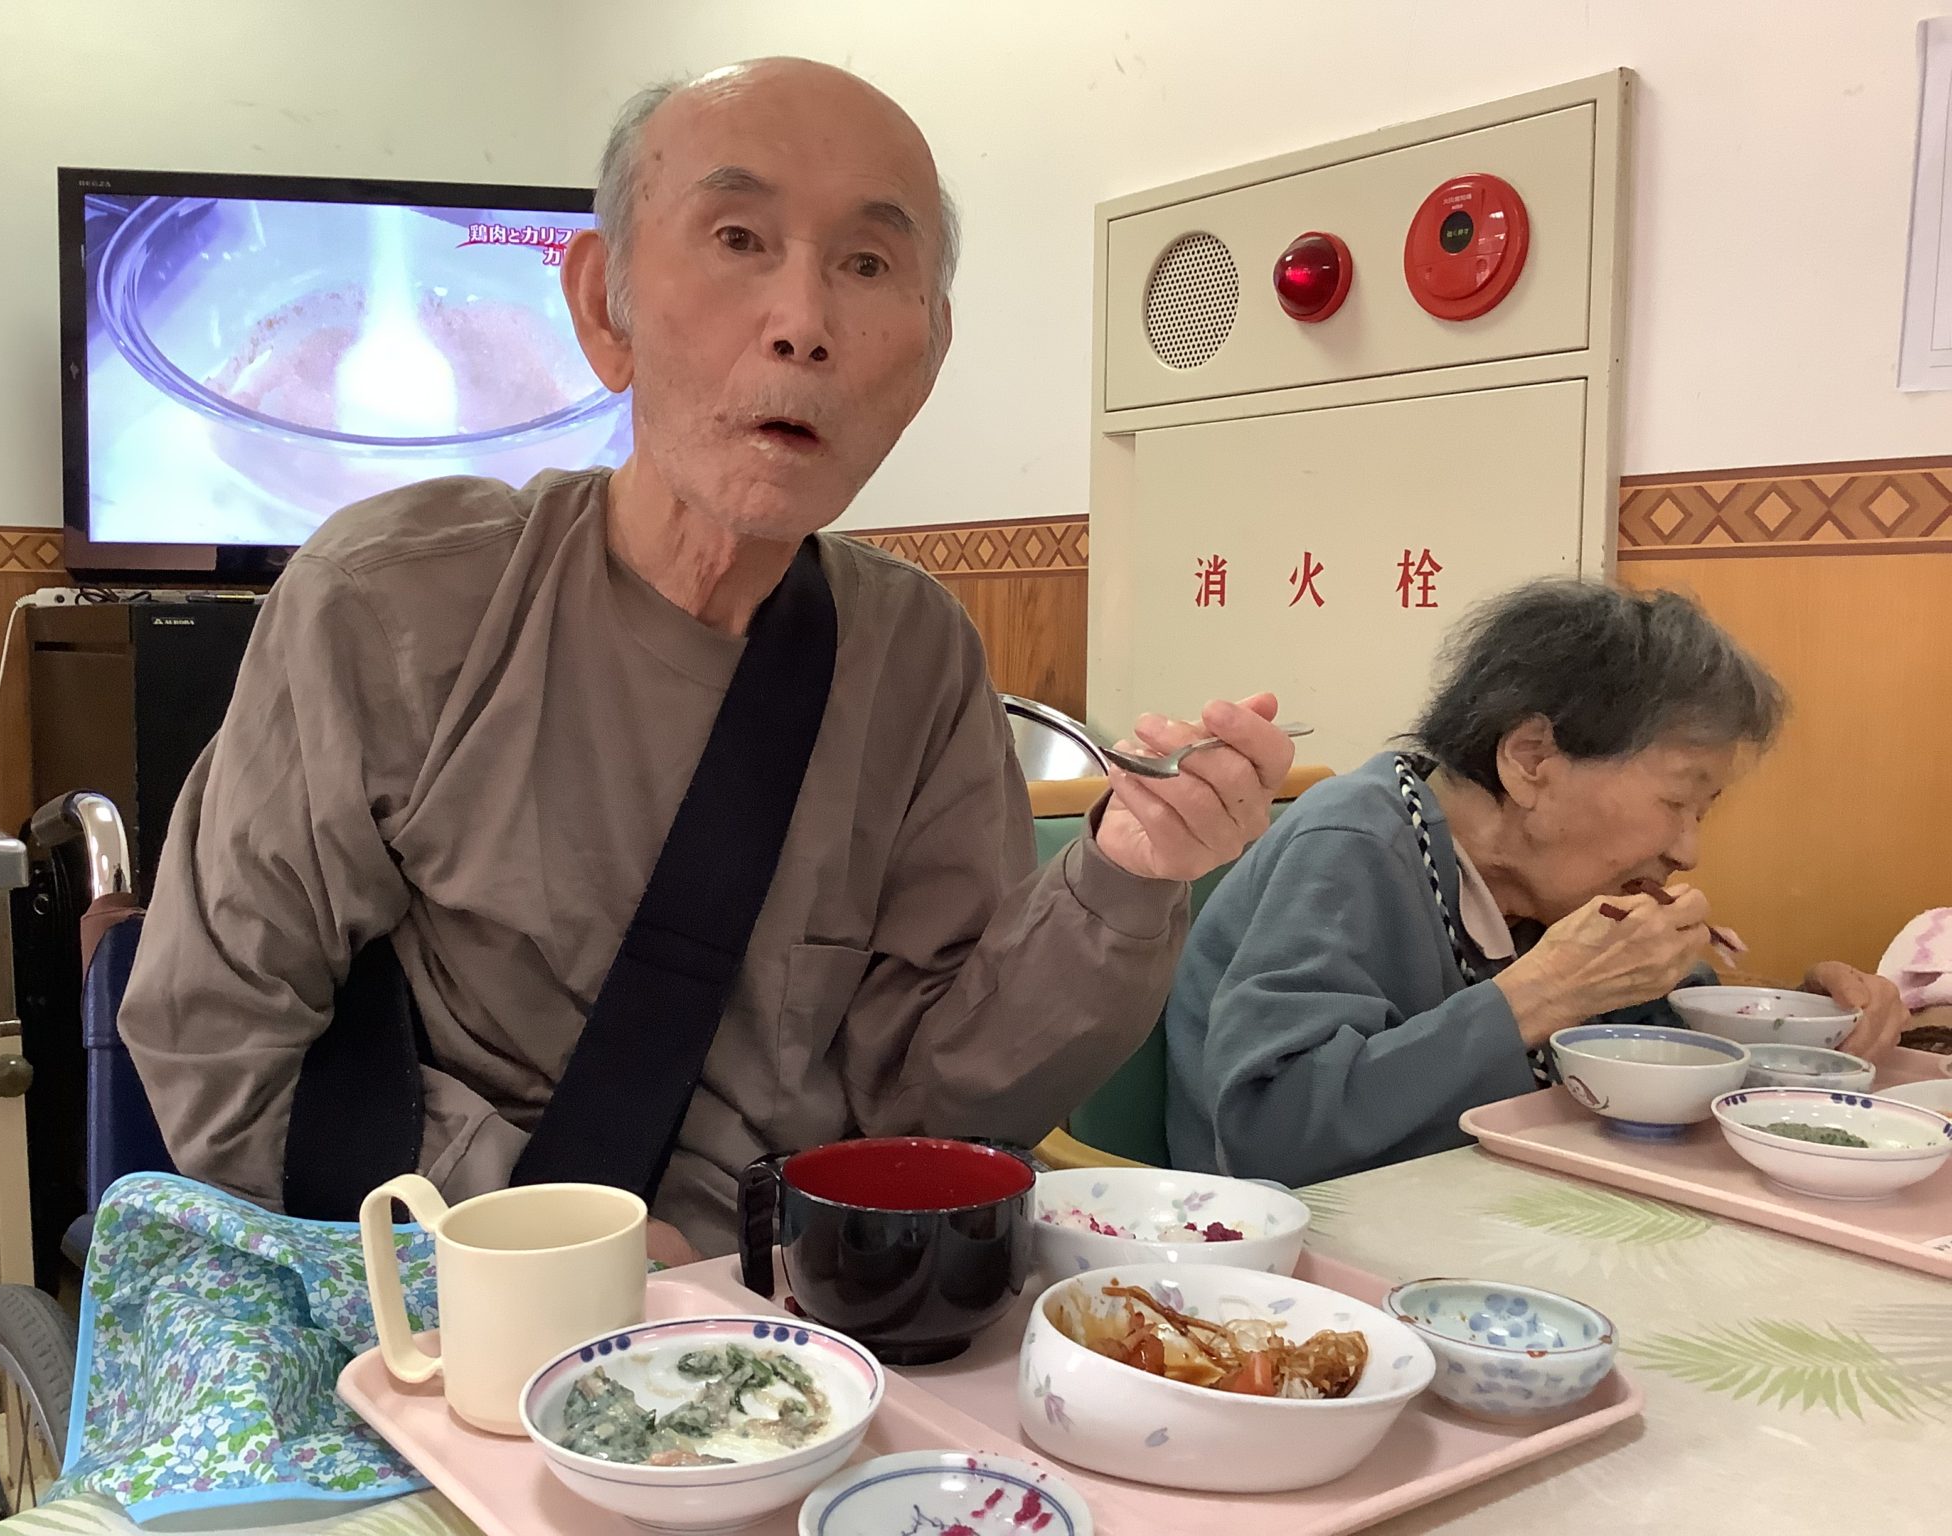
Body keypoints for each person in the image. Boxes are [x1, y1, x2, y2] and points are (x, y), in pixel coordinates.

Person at [118, 59, 1298, 1263]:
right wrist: (559, 1247)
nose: (802, 323)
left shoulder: (914, 655)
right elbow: (216, 1031)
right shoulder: (392, 601)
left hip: (802, 1318)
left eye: (866, 265)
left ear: (927, 358)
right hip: (451, 1299)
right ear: (604, 308)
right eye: (738, 238)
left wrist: (1125, 874)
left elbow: (939, 1104)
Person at [1166, 580, 1906, 1188]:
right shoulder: (1356, 843)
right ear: (1530, 759)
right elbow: (1268, 1134)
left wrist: (1800, 1020)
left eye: (1702, 811)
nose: (1688, 850)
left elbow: (1652, 1038)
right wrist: (1539, 996)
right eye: (1677, 801)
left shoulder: (1551, 890)